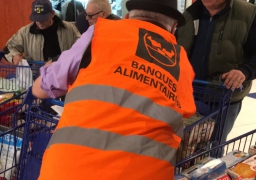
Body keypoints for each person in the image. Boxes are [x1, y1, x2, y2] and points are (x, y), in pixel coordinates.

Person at [32, 0, 196, 178]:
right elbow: (183, 112)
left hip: (67, 171)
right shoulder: (182, 63)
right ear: (173, 29)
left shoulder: (100, 33)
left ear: (128, 16)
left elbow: (42, 88)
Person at [176, 0, 256, 149]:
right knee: (183, 148)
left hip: (223, 97)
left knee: (213, 149)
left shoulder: (249, 14)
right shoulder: (189, 14)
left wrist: (244, 71)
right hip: (189, 94)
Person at [5, 0, 80, 65]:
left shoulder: (69, 29)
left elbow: (82, 47)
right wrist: (14, 55)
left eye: (43, 19)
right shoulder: (25, 32)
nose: (39, 22)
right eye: (37, 19)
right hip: (36, 74)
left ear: (52, 14)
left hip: (65, 72)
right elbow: (9, 47)